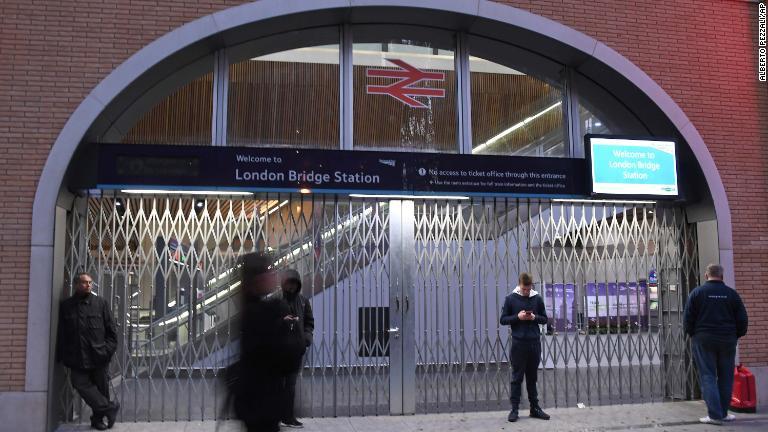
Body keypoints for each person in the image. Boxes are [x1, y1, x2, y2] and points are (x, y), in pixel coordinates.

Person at [233, 253, 305, 432]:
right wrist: (291, 327)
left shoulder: (252, 309)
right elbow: (290, 356)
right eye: (269, 270)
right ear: (256, 279)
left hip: (255, 402)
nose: (274, 274)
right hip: (262, 403)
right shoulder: (267, 311)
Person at [683, 263, 748, 425]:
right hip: (727, 340)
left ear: (706, 275)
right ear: (722, 276)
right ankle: (724, 413)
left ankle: (714, 415)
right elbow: (742, 319)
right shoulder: (731, 294)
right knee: (726, 376)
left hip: (704, 339)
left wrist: (693, 334)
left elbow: (688, 318)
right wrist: (736, 335)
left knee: (708, 376)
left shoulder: (697, 293)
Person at [56, 272, 120, 430]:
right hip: (77, 357)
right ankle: (109, 408)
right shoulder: (67, 306)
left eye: (90, 282)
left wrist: (107, 351)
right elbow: (62, 333)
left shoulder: (100, 303)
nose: (88, 285)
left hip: (99, 356)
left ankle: (97, 420)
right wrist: (62, 355)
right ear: (77, 284)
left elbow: (112, 331)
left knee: (101, 389)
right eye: (85, 283)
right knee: (79, 383)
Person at [499, 272, 550, 422]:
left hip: (534, 343)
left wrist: (534, 317)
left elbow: (545, 319)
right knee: (517, 377)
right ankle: (514, 409)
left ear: (531, 286)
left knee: (532, 377)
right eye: (524, 289)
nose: (526, 292)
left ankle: (534, 408)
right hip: (518, 344)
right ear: (519, 285)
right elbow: (503, 320)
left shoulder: (537, 298)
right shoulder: (511, 299)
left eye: (528, 289)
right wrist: (517, 317)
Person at [269, 269, 315, 429]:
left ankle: (288, 417)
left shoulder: (303, 301)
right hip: (278, 350)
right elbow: (267, 323)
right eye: (289, 283)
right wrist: (282, 321)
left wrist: (306, 338)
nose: (291, 287)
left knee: (290, 386)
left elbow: (309, 322)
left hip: (295, 350)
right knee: (276, 385)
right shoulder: (275, 300)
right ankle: (274, 417)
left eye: (294, 284)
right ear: (284, 283)